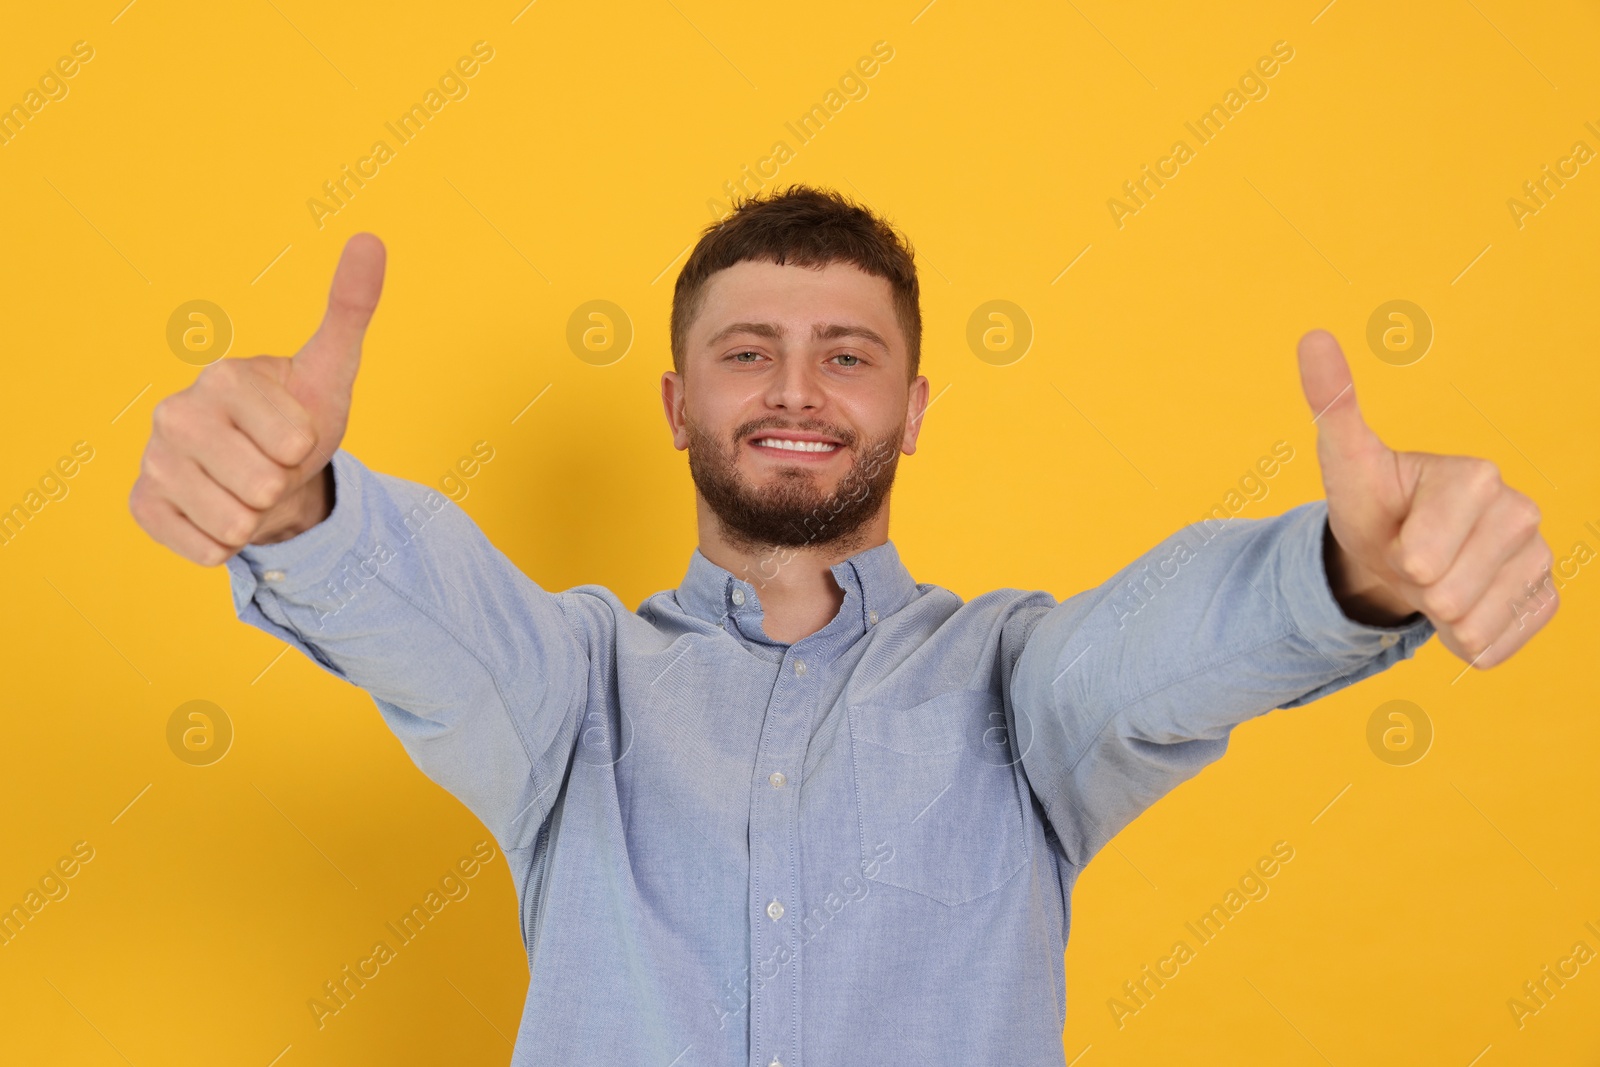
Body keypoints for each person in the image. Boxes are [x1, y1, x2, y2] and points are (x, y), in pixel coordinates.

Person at [128, 185, 1556, 1065]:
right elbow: (435, 619)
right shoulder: (577, 687)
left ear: (915, 409)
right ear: (679, 407)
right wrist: (298, 503)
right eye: (747, 353)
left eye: (849, 356)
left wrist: (1350, 572)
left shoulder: (1015, 684)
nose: (796, 390)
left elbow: (1159, 651)